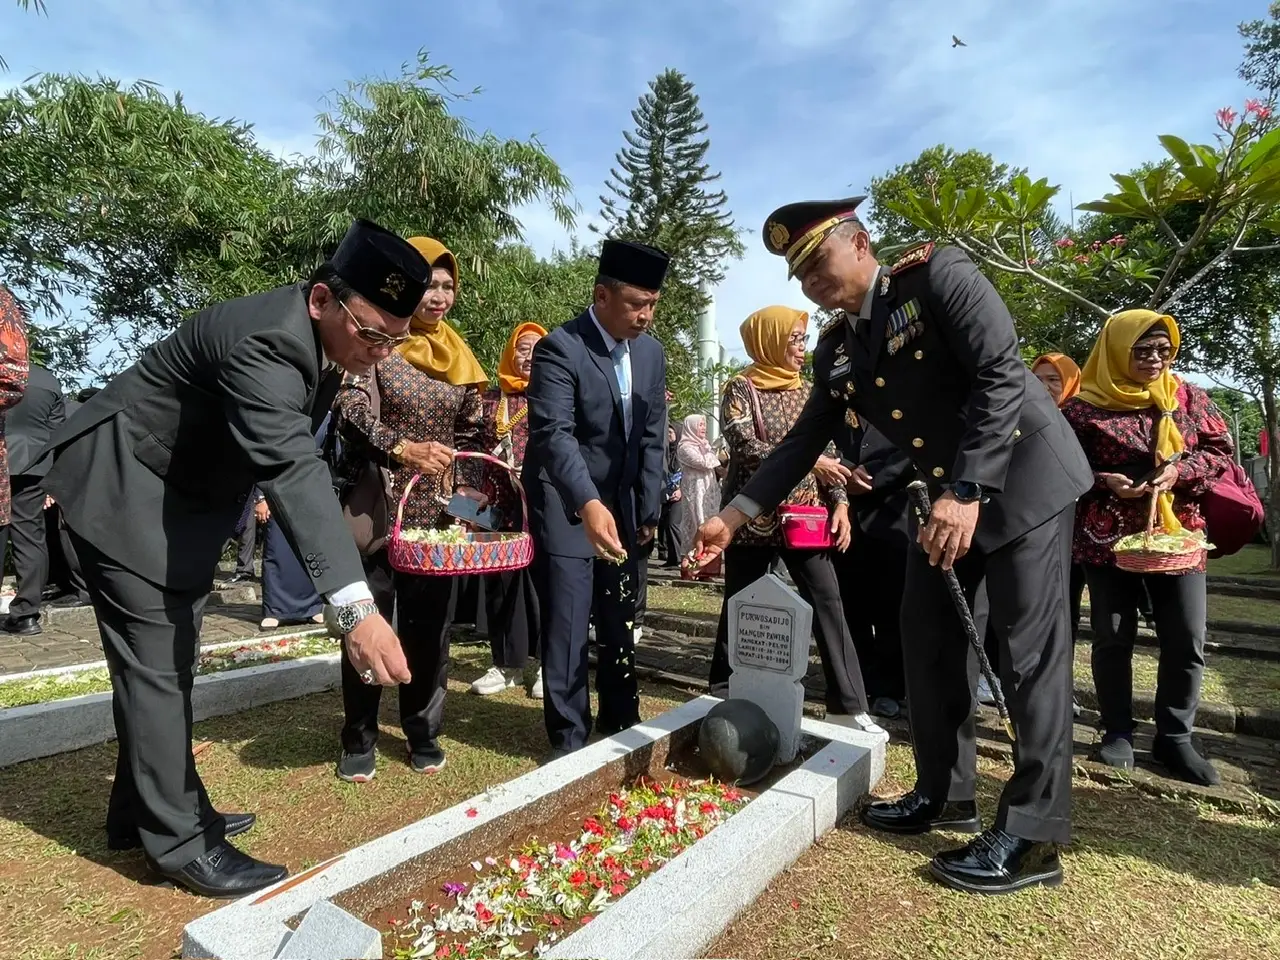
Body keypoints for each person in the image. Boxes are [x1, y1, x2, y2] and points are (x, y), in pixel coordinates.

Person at [694, 197, 1093, 895]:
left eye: (820, 261)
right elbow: (802, 441)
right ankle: (946, 792)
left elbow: (1001, 373)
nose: (814, 282)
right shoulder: (836, 348)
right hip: (946, 501)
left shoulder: (938, 277)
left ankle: (1034, 836)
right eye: (802, 276)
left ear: (861, 244)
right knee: (926, 640)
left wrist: (966, 491)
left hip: (1023, 480)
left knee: (1030, 659)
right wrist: (733, 515)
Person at [41, 219, 429, 898]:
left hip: (171, 502)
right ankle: (182, 844)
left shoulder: (320, 342)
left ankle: (143, 812)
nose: (379, 352)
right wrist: (355, 610)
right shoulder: (270, 340)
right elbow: (291, 464)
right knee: (158, 661)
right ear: (321, 300)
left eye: (394, 341)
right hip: (124, 487)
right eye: (371, 335)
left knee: (168, 658)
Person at [331, 235, 486, 783]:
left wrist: (469, 503)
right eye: (429, 285)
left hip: (437, 518)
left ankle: (423, 729)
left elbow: (475, 436)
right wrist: (402, 449)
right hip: (379, 507)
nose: (438, 296)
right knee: (369, 620)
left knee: (429, 630)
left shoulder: (462, 356)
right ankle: (360, 735)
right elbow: (348, 409)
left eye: (447, 286)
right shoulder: (379, 342)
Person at [1062, 311, 1233, 785]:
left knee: (1186, 637)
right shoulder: (1082, 409)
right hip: (1107, 538)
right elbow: (1060, 465)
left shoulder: (1188, 398)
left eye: (1163, 349)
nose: (1155, 359)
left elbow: (1220, 453)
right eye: (1142, 350)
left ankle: (1175, 736)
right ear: (1116, 349)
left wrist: (1181, 472)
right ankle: (1116, 730)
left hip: (1178, 536)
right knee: (1113, 636)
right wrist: (1104, 481)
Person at [523, 238, 669, 757]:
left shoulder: (651, 354)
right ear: (601, 296)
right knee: (568, 616)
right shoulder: (561, 347)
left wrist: (648, 508)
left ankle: (621, 715)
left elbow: (653, 433)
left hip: (623, 505)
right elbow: (553, 436)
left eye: (653, 304)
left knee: (618, 611)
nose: (646, 315)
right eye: (636, 304)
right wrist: (587, 502)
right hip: (567, 499)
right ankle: (568, 736)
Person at [708, 305, 879, 732]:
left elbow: (832, 456)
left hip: (806, 516)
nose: (802, 349)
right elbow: (745, 447)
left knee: (828, 600)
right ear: (769, 340)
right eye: (794, 340)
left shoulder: (810, 390)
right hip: (749, 516)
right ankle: (723, 687)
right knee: (740, 603)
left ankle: (848, 703)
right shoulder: (740, 388)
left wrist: (839, 502)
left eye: (804, 340)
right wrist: (813, 462)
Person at [469, 322, 546, 699]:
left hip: (543, 506)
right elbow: (471, 452)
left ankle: (549, 663)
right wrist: (466, 503)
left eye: (537, 348)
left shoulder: (555, 395)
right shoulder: (490, 400)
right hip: (494, 507)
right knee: (499, 585)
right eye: (522, 347)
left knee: (547, 584)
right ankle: (506, 664)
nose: (529, 355)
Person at [832, 416, 914, 719]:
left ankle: (889, 688)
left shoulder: (901, 400)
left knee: (891, 609)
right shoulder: (838, 403)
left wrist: (873, 476)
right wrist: (844, 474)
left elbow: (915, 449)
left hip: (893, 520)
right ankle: (856, 682)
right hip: (843, 521)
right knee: (850, 607)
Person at [1, 362, 64, 635]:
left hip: (3, 457)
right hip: (36, 463)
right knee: (31, 535)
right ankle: (26, 614)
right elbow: (59, 429)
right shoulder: (48, 379)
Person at [0, 285, 31, 532]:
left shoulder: (2, 304)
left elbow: (11, 381)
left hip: (22, 460)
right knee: (30, 534)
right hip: (31, 461)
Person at [676, 414, 721, 548]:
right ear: (691, 427)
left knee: (711, 520)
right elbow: (704, 462)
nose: (703, 428)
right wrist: (713, 452)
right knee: (698, 521)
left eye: (704, 425)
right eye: (700, 425)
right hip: (695, 490)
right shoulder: (685, 447)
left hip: (709, 489)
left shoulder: (704, 445)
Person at [657, 421, 684, 566]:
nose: (668, 436)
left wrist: (681, 490)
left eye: (671, 433)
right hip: (666, 493)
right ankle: (671, 558)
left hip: (680, 494)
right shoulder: (665, 451)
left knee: (674, 524)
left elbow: (686, 474)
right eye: (667, 433)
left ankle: (679, 557)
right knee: (665, 524)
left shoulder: (683, 452)